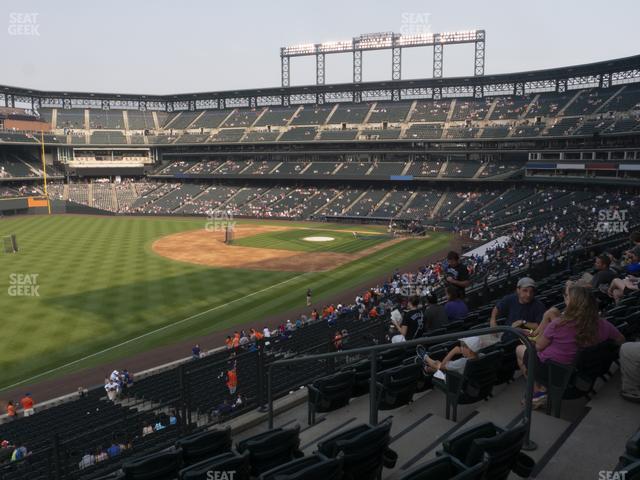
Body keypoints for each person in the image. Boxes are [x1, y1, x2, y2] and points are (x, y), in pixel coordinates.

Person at [515, 284, 625, 407]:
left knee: (520, 349)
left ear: (573, 303)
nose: (564, 298)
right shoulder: (603, 324)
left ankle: (538, 391)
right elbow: (620, 340)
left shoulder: (558, 324)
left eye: (567, 296)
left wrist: (543, 322)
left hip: (556, 373)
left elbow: (538, 347)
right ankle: (541, 390)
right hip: (583, 375)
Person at [417, 336, 483, 375]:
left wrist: (453, 352)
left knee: (438, 364)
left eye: (463, 346)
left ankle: (425, 357)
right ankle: (427, 368)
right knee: (441, 364)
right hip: (470, 380)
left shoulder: (461, 362)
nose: (461, 346)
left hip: (456, 382)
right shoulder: (482, 355)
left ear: (469, 350)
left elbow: (442, 366)